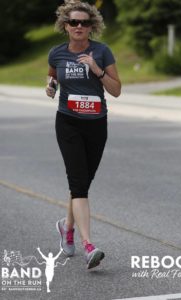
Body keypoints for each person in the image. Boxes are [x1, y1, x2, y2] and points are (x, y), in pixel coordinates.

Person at [46, 0, 121, 269]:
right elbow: (52, 77)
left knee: (82, 183)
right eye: (74, 22)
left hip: (96, 124)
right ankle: (89, 245)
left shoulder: (102, 51)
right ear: (65, 25)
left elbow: (116, 90)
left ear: (92, 27)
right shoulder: (56, 53)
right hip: (68, 123)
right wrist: (51, 86)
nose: (79, 26)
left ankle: (66, 227)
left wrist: (96, 69)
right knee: (78, 183)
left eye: (84, 22)